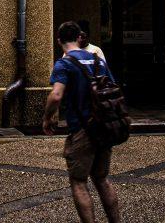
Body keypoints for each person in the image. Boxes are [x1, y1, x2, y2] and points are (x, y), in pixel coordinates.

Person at [43, 20, 121, 223]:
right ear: (79, 37)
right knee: (102, 179)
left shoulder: (64, 62)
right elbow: (112, 88)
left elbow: (56, 95)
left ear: (59, 40)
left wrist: (47, 117)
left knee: (78, 181)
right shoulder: (98, 60)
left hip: (82, 129)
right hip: (103, 126)